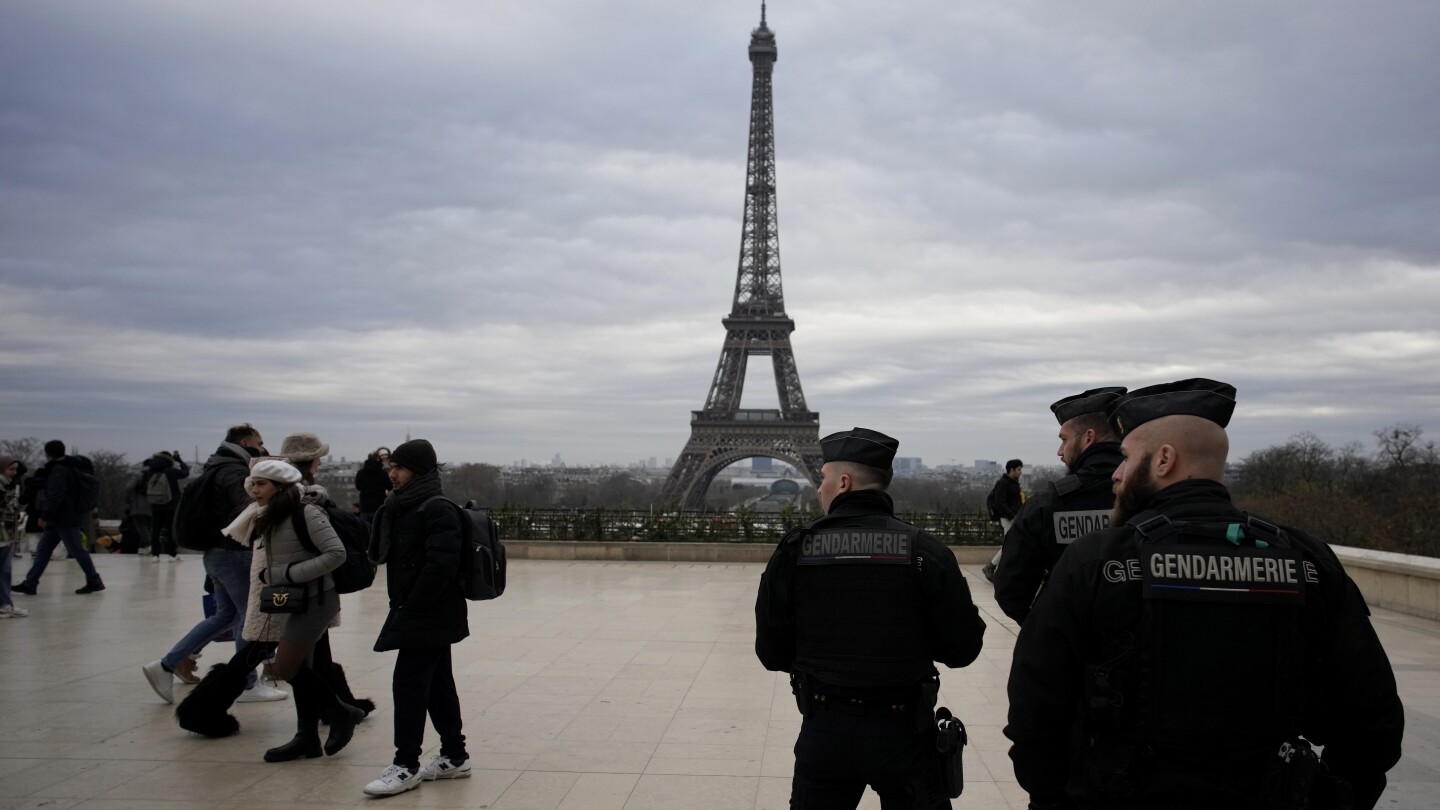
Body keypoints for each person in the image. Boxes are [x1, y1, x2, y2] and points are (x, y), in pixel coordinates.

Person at [1005, 379, 1405, 810]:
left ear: (1164, 460)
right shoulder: (1306, 561)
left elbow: (1035, 710)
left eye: (1125, 458)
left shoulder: (1096, 564)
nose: (1115, 475)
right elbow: (1373, 722)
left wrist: (1054, 794)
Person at [756, 427, 987, 809]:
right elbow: (961, 649)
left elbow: (771, 652)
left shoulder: (796, 550)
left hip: (824, 726)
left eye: (824, 479)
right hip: (904, 729)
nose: (819, 488)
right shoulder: (925, 551)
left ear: (843, 483)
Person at [224, 458, 362, 762]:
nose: (254, 490)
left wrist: (288, 574)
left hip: (314, 600)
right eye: (253, 483)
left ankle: (341, 712)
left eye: (261, 484)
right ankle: (307, 737)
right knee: (302, 669)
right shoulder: (269, 514)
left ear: (280, 486)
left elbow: (336, 553)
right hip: (292, 599)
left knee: (285, 668)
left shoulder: (307, 512)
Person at [142, 424, 286, 704]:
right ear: (245, 442)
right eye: (259, 442)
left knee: (225, 617)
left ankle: (166, 665)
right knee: (248, 618)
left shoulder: (215, 467)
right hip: (235, 551)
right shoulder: (234, 471)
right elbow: (250, 507)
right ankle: (247, 683)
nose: (262, 446)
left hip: (216, 553)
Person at [363, 439, 471, 797]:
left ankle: (405, 764)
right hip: (422, 609)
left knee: (408, 685)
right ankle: (455, 756)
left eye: (400, 468)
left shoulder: (435, 508)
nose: (392, 474)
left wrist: (412, 607)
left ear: (419, 471)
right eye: (390, 467)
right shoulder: (404, 506)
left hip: (427, 611)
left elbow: (442, 565)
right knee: (438, 685)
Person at [993, 387, 1126, 623]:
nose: (1060, 451)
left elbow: (1010, 589)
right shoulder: (1150, 497)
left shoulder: (1048, 504)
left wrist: (1048, 629)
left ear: (1088, 438)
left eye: (1064, 440)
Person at [12, 440, 105, 596]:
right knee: (44, 550)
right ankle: (30, 582)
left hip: (63, 517)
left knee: (75, 549)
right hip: (64, 516)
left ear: (47, 453)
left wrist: (45, 515)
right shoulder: (71, 467)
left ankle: (94, 580)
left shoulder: (59, 470)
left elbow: (56, 495)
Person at [139, 450, 190, 562]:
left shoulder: (150, 470)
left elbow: (143, 487)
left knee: (155, 530)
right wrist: (180, 460)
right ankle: (172, 554)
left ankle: (155, 555)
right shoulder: (170, 471)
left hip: (155, 504)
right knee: (170, 529)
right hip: (170, 504)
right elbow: (186, 472)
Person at [982, 458, 1024, 583]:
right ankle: (991, 566)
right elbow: (1000, 503)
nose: (1020, 472)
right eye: (1019, 469)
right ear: (1012, 469)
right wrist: (1013, 515)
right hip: (1008, 518)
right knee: (1009, 545)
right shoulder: (1004, 483)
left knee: (1010, 544)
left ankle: (994, 567)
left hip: (1011, 517)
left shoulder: (1011, 482)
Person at [1, 456, 29, 618]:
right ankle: (5, 603)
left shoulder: (10, 485)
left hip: (7, 532)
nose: (14, 473)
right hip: (3, 532)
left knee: (4, 569)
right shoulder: (4, 485)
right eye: (11, 469)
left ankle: (5, 603)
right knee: (4, 569)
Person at [354, 447, 391, 525]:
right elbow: (389, 486)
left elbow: (358, 487)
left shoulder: (360, 473)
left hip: (365, 506)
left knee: (366, 531)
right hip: (379, 505)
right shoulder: (382, 473)